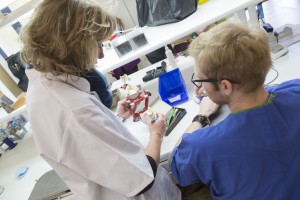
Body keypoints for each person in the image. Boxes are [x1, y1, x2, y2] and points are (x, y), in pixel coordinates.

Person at [20, 0, 180, 199]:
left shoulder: (41, 85)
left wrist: (114, 118)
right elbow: (142, 181)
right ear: (73, 48)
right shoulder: (75, 111)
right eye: (97, 45)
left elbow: (88, 146)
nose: (102, 54)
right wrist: (156, 134)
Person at [170, 21, 300, 200]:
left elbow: (177, 165)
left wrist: (201, 116)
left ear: (225, 85)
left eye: (201, 80)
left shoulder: (203, 145)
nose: (200, 87)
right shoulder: (296, 90)